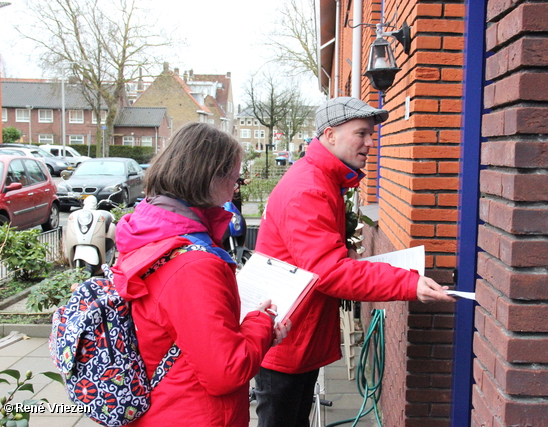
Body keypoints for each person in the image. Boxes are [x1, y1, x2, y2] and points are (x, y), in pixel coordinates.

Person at [253, 97, 456, 426]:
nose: (370, 143)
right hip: (287, 341)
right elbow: (329, 272)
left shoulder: (321, 180)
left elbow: (317, 259)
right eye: (361, 133)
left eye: (371, 134)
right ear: (330, 135)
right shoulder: (309, 188)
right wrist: (408, 283)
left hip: (297, 334)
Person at [111, 122, 289, 427]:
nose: (236, 186)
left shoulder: (151, 230)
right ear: (209, 177)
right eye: (234, 177)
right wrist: (261, 324)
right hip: (193, 413)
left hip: (162, 403)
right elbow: (225, 372)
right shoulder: (194, 264)